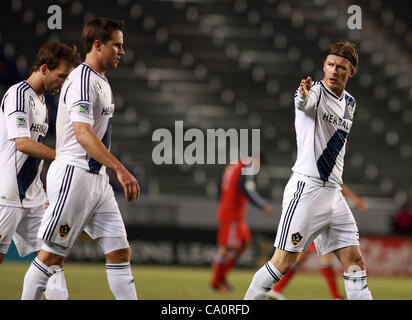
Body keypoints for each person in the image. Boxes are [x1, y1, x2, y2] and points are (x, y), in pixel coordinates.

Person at [21, 17, 140, 300]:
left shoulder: (100, 80)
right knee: (50, 257)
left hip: (96, 180)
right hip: (75, 174)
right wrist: (120, 169)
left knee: (120, 252)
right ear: (98, 45)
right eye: (117, 45)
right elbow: (83, 133)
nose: (122, 52)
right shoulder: (83, 80)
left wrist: (109, 171)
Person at [244, 41, 373, 300]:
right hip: (307, 189)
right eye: (331, 65)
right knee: (283, 262)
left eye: (341, 67)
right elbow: (305, 103)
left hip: (334, 194)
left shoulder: (350, 102)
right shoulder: (313, 92)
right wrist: (303, 95)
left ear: (351, 72)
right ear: (324, 66)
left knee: (354, 259)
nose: (334, 71)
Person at [0, 42, 79, 296]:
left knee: (54, 259)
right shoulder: (18, 94)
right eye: (62, 76)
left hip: (34, 198)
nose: (64, 83)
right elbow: (22, 143)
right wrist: (63, 157)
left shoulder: (43, 104)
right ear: (44, 68)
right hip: (7, 195)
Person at [268, 184, 367, 300]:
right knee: (311, 256)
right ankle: (335, 297)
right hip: (320, 213)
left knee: (300, 257)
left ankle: (276, 290)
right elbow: (337, 184)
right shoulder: (321, 173)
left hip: (313, 212)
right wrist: (355, 200)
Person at [210, 158, 272, 292]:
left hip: (232, 212)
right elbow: (246, 188)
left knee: (245, 242)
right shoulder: (247, 165)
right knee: (226, 248)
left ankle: (222, 277)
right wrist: (262, 205)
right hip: (232, 214)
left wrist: (224, 202)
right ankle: (216, 282)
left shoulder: (233, 165)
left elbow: (219, 185)